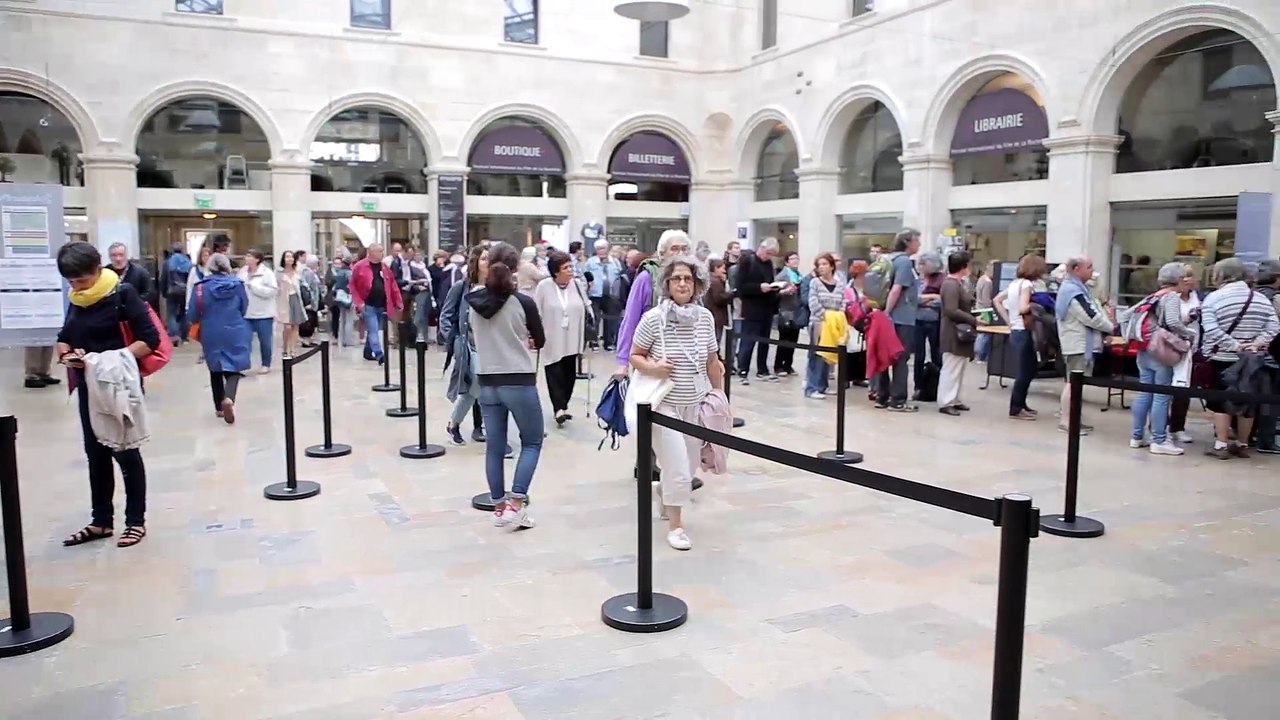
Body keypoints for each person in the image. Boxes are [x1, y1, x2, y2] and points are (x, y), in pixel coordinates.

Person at [55, 242, 158, 549]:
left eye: (81, 280)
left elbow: (149, 340)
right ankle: (101, 520)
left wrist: (107, 361)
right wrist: (67, 357)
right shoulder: (78, 299)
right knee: (96, 454)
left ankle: (135, 521)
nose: (76, 286)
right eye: (71, 282)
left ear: (98, 270)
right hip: (89, 388)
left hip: (118, 386)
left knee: (125, 451)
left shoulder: (122, 294)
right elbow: (64, 338)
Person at [630, 255, 724, 551]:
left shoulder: (705, 318)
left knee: (690, 465)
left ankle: (663, 492)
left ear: (697, 285)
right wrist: (653, 367)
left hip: (694, 404)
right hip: (663, 406)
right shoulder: (653, 318)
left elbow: (712, 360)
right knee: (678, 468)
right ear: (667, 285)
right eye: (676, 279)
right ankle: (677, 527)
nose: (682, 283)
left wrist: (718, 397)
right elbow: (635, 355)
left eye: (688, 279)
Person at [468, 242, 546, 529]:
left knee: (495, 446)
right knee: (532, 441)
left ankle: (500, 506)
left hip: (487, 381)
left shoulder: (473, 299)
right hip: (519, 379)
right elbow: (540, 340)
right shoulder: (523, 302)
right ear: (515, 268)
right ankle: (516, 503)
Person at [1200, 258, 1279, 459]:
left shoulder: (1213, 298)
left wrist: (1233, 345)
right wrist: (1256, 343)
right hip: (1253, 358)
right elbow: (1274, 327)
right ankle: (1242, 444)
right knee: (1247, 401)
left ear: (1220, 275)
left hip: (1222, 357)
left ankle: (1221, 445)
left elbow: (1210, 329)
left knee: (1220, 402)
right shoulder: (1261, 299)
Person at [1123, 261, 1195, 454]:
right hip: (1160, 351)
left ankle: (1137, 436)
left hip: (1143, 349)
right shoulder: (1171, 296)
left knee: (1145, 392)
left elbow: (1126, 316)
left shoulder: (1153, 296)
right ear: (1178, 279)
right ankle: (1159, 440)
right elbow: (1171, 321)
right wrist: (1187, 332)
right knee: (1161, 396)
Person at [615, 230, 691, 378]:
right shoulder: (646, 278)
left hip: (686, 360)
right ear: (662, 253)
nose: (680, 253)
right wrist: (622, 362)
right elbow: (631, 319)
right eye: (674, 249)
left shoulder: (693, 279)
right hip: (651, 358)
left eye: (684, 249)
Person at [1054, 256, 1116, 435]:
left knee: (1075, 384)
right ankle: (1067, 421)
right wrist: (1110, 328)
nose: (1092, 271)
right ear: (1075, 269)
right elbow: (1091, 316)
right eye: (1088, 267)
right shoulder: (1073, 291)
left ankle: (1073, 419)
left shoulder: (1080, 289)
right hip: (1078, 344)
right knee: (1072, 383)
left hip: (1081, 343)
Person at [188, 253, 250, 423]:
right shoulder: (238, 285)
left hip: (211, 329)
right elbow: (244, 306)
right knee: (235, 366)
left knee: (215, 368)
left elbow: (193, 313)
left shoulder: (200, 287)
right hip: (235, 328)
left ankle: (219, 408)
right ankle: (229, 397)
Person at [535, 250, 590, 427]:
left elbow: (585, 303)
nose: (570, 270)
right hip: (551, 336)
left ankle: (563, 405)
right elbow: (536, 312)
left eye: (570, 266)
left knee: (569, 373)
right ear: (556, 271)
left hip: (573, 336)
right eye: (565, 267)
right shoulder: (544, 286)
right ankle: (558, 408)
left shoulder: (577, 285)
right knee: (554, 372)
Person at [994, 254, 1046, 420]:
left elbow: (997, 300)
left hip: (1016, 329)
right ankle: (1016, 407)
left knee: (1027, 369)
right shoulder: (1028, 285)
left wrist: (1009, 320)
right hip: (1024, 329)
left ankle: (1021, 404)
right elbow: (1024, 308)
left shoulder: (1015, 283)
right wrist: (1037, 304)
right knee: (1026, 370)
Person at [876, 229, 921, 411]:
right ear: (907, 242)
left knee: (885, 357)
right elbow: (897, 289)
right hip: (901, 317)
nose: (919, 244)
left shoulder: (887, 259)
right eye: (917, 240)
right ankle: (898, 399)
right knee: (901, 358)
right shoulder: (903, 262)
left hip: (887, 316)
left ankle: (882, 395)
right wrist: (888, 312)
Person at [938, 251, 983, 415]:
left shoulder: (956, 283)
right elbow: (951, 310)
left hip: (958, 331)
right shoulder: (950, 284)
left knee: (959, 367)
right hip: (952, 332)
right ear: (963, 267)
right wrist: (973, 320)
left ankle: (954, 398)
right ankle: (946, 401)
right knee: (951, 368)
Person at [735, 237, 783, 384]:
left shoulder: (768, 264)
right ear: (761, 248)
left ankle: (762, 369)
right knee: (748, 340)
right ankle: (743, 370)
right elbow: (740, 287)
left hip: (766, 307)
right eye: (768, 253)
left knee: (765, 341)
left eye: (771, 254)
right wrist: (759, 288)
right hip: (752, 308)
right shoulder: (747, 262)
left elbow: (770, 281)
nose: (768, 257)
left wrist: (777, 289)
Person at [1166, 263, 1202, 444]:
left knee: (1184, 390)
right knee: (1164, 387)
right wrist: (1187, 321)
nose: (1187, 280)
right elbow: (1170, 322)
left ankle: (1178, 427)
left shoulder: (1200, 297)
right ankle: (1161, 426)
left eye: (1191, 276)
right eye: (1184, 276)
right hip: (1170, 347)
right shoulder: (1170, 297)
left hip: (1192, 349)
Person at [350, 243, 404, 364]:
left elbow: (392, 285)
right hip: (368, 304)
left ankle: (368, 351)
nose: (382, 254)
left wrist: (397, 301)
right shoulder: (360, 266)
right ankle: (379, 353)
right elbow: (353, 285)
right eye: (379, 251)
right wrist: (359, 302)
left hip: (382, 304)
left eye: (382, 251)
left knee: (372, 328)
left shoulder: (384, 268)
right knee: (373, 329)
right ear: (371, 252)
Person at [805, 253, 847, 400]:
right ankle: (812, 387)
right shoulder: (815, 282)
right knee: (817, 355)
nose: (821, 267)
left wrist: (839, 315)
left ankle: (823, 385)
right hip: (819, 322)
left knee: (827, 356)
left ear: (831, 266)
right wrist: (825, 315)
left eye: (824, 264)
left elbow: (843, 301)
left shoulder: (839, 283)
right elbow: (813, 302)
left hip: (834, 323)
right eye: (819, 265)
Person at [238, 249, 278, 373]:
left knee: (265, 340)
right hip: (246, 312)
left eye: (250, 256)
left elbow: (273, 291)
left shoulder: (267, 273)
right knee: (243, 340)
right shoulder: (242, 272)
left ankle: (266, 363)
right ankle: (243, 364)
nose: (247, 259)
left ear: (257, 259)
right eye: (247, 256)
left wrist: (254, 287)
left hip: (264, 313)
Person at [913, 252, 945, 401]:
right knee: (918, 356)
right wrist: (932, 297)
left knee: (936, 354)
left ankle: (937, 386)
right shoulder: (916, 280)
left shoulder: (941, 280)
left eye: (923, 264)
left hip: (934, 321)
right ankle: (918, 386)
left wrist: (924, 301)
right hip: (917, 321)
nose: (920, 267)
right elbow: (914, 299)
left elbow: (942, 301)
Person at [585, 239, 623, 351]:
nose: (601, 251)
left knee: (611, 319)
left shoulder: (615, 262)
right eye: (598, 249)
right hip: (595, 294)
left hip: (611, 295)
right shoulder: (591, 262)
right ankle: (594, 341)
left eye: (603, 248)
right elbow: (586, 276)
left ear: (608, 249)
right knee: (595, 318)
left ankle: (609, 342)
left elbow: (619, 276)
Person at [773, 250, 804, 377]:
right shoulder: (783, 275)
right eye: (792, 259)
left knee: (793, 339)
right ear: (787, 262)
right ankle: (779, 365)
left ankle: (788, 364)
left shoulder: (799, 275)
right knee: (784, 339)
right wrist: (784, 291)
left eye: (797, 258)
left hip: (796, 310)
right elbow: (774, 291)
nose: (795, 261)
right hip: (785, 310)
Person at [106, 242, 156, 309]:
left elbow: (149, 294)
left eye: (121, 255)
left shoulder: (141, 272)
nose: (118, 259)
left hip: (135, 314)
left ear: (126, 255)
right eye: (114, 255)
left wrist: (132, 304)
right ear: (109, 256)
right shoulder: (104, 273)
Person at [275, 250, 306, 357]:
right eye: (287, 257)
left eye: (291, 257)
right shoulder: (279, 273)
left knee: (295, 325)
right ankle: (285, 348)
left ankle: (292, 349)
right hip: (284, 300)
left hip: (296, 298)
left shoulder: (298, 272)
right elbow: (276, 288)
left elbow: (302, 285)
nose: (290, 259)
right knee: (287, 326)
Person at [162, 244, 192, 344]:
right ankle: (184, 337)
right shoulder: (188, 262)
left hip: (172, 291)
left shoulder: (168, 262)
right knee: (184, 313)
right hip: (185, 291)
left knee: (172, 314)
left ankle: (174, 336)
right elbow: (190, 278)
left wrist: (163, 291)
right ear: (182, 250)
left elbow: (164, 278)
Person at [327, 254, 358, 346]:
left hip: (339, 296)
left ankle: (342, 338)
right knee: (349, 319)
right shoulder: (349, 273)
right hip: (348, 296)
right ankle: (348, 340)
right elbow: (352, 285)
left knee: (342, 319)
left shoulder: (339, 272)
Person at [706, 258, 733, 344]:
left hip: (712, 314)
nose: (724, 270)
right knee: (715, 339)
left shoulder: (710, 279)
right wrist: (731, 294)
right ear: (716, 268)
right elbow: (719, 298)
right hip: (716, 315)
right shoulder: (715, 282)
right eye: (722, 268)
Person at [974, 261, 995, 362]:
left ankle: (978, 354)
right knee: (985, 332)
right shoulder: (988, 282)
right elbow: (986, 299)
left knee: (981, 331)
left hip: (979, 307)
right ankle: (980, 355)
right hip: (985, 310)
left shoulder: (981, 279)